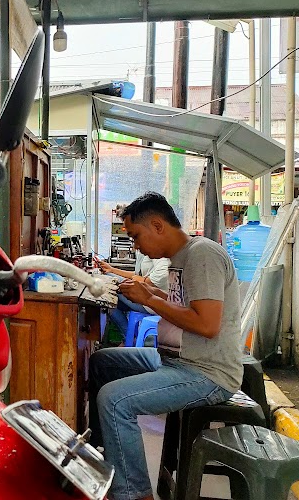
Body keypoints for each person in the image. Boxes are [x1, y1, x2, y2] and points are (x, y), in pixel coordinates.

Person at [89, 192, 242, 500]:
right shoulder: (179, 259)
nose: (135, 245)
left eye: (135, 236)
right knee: (102, 361)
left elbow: (206, 325)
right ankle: (110, 461)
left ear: (157, 225)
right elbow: (180, 308)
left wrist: (149, 299)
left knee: (115, 400)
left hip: (207, 371)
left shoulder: (202, 255)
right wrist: (148, 293)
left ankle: (135, 494)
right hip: (175, 360)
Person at [99, 251, 170, 341]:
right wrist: (112, 270)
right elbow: (136, 276)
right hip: (146, 297)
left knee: (106, 285)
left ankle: (129, 339)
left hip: (151, 302)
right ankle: (129, 338)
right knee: (109, 299)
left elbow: (163, 273)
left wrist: (144, 280)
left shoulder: (157, 248)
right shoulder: (143, 252)